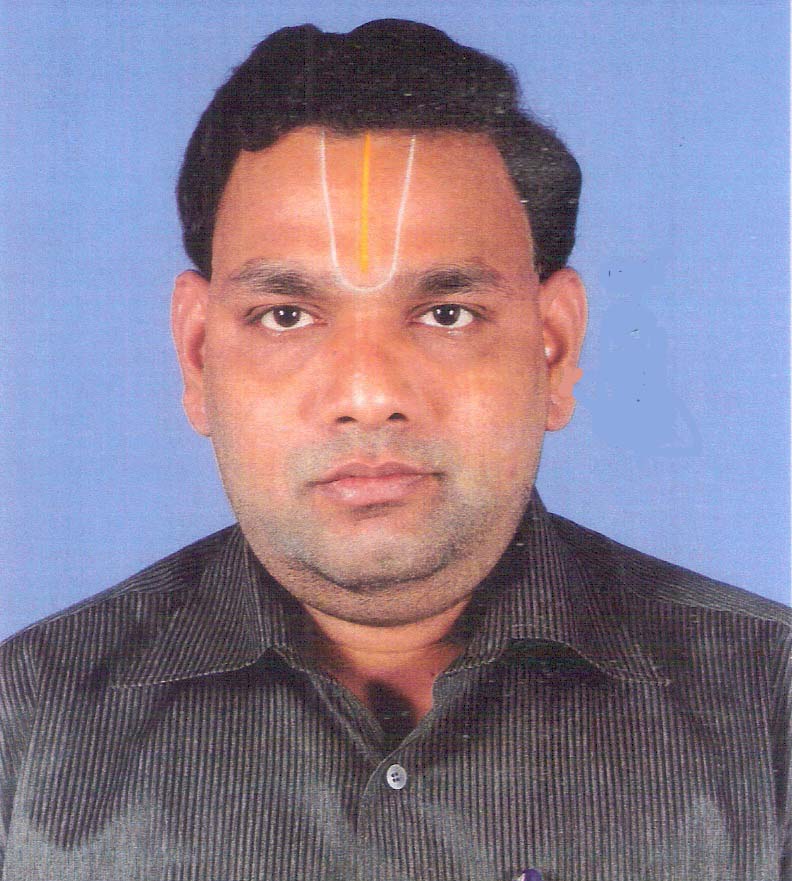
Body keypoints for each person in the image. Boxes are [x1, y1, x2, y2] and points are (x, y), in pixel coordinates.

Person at [0, 19, 788, 881]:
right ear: (196, 356)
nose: (369, 393)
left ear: (554, 348)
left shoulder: (770, 706)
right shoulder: (28, 719)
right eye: (286, 315)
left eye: (447, 313)